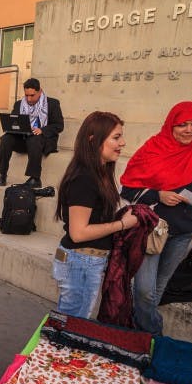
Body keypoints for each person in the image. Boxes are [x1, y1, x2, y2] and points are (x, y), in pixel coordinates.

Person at [120, 101, 192, 334]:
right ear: (170, 125)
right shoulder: (152, 149)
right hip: (151, 231)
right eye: (182, 124)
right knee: (144, 289)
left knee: (159, 287)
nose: (189, 130)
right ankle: (153, 333)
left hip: (182, 234)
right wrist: (158, 195)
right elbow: (127, 189)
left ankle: (137, 332)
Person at [53, 112, 138, 318]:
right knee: (70, 326)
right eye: (116, 137)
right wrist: (122, 224)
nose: (123, 143)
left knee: (73, 325)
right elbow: (78, 233)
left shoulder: (100, 173)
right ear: (93, 139)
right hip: (81, 262)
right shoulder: (84, 178)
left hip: (86, 262)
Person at [0, 78, 64, 187]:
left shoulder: (52, 104)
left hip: (41, 139)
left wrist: (42, 129)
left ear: (40, 91)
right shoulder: (19, 104)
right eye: (26, 95)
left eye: (32, 95)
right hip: (23, 138)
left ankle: (35, 178)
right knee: (5, 139)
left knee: (34, 139)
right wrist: (14, 128)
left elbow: (59, 125)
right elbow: (15, 121)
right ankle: (2, 174)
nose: (29, 99)